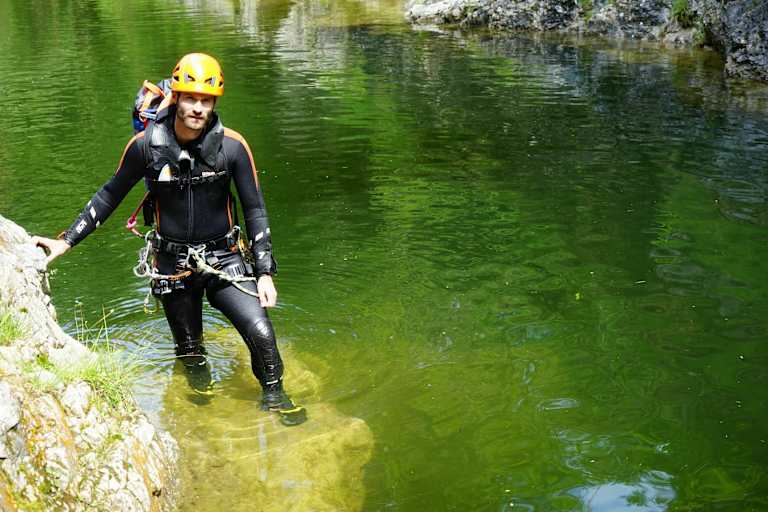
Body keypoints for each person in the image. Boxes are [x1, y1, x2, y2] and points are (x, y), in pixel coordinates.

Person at [33, 53, 306, 426]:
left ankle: (276, 399)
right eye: (190, 98)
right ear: (175, 97)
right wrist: (65, 241)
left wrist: (264, 272)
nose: (197, 108)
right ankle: (200, 408)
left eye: (206, 100)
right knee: (190, 353)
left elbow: (254, 209)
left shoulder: (233, 147)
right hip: (172, 264)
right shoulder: (145, 146)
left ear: (215, 103)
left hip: (224, 258)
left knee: (261, 333)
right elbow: (109, 196)